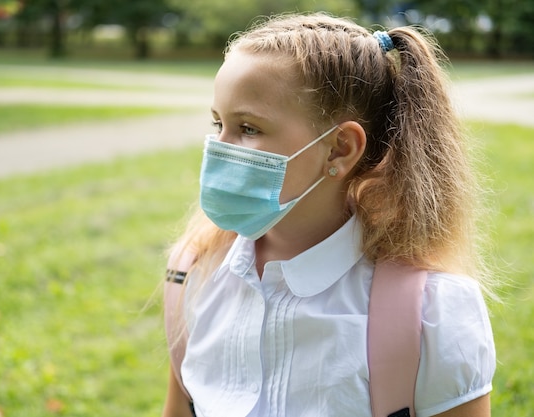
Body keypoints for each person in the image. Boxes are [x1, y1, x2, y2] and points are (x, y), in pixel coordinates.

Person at [162, 12, 496, 417]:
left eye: (248, 128)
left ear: (339, 149)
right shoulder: (197, 273)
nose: (219, 147)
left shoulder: (430, 315)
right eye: (218, 123)